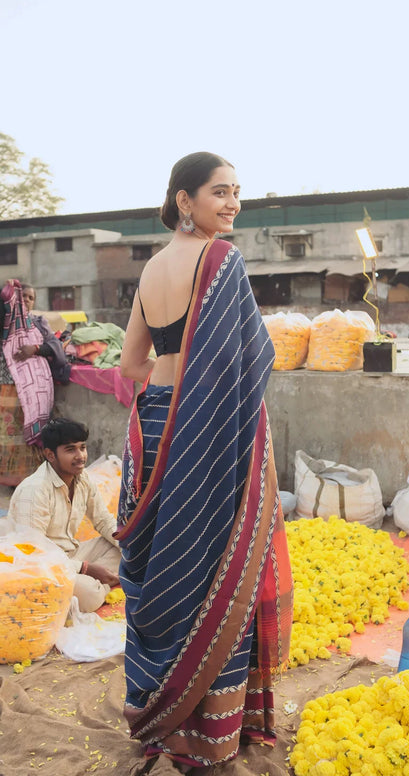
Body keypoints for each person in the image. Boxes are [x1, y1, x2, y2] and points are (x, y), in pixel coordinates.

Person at [117, 152, 293, 771]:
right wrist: (210, 408)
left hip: (157, 422)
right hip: (205, 430)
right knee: (217, 568)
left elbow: (130, 367)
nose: (233, 204)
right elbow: (248, 364)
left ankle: (161, 715)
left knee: (168, 567)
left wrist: (174, 387)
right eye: (220, 192)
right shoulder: (222, 262)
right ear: (183, 199)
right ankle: (208, 734)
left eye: (238, 193)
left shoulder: (150, 271)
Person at [8, 417, 121, 612]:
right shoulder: (35, 490)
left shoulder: (82, 478)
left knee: (122, 548)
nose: (80, 456)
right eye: (70, 450)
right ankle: (97, 585)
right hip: (40, 568)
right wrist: (85, 568)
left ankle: (90, 584)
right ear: (50, 455)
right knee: (90, 595)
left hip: (70, 556)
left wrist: (131, 547)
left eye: (82, 448)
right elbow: (31, 555)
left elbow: (103, 520)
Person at [0, 280, 71, 486]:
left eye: (31, 298)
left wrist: (34, 349)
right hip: (10, 386)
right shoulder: (5, 322)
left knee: (34, 434)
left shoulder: (38, 322)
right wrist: (5, 297)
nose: (27, 300)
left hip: (35, 389)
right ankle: (12, 481)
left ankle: (33, 482)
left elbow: (55, 347)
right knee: (11, 434)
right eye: (23, 296)